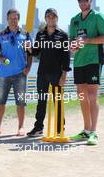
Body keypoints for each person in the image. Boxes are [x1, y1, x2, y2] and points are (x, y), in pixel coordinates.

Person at [69, 0, 104, 145]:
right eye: (79, 0)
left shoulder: (98, 16)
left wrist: (88, 40)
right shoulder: (74, 20)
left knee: (92, 95)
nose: (82, 3)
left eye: (85, 0)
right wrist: (73, 46)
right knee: (82, 96)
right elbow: (72, 42)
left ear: (90, 1)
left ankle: (94, 132)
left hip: (94, 60)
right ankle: (86, 130)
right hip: (79, 61)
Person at [26, 8, 71, 137]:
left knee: (58, 102)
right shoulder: (40, 34)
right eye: (48, 16)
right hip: (42, 73)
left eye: (53, 16)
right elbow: (36, 52)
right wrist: (29, 48)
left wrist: (64, 75)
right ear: (45, 18)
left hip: (57, 74)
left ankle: (59, 128)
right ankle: (38, 128)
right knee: (41, 101)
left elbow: (66, 57)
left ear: (57, 18)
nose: (51, 18)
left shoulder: (63, 35)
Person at [0, 9, 32, 136]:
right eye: (11, 18)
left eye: (15, 18)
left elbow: (31, 53)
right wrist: (1, 59)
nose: (13, 20)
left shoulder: (26, 34)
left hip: (21, 74)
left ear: (18, 19)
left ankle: (21, 127)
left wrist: (28, 67)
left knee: (21, 102)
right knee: (0, 102)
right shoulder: (0, 35)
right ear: (7, 19)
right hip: (4, 74)